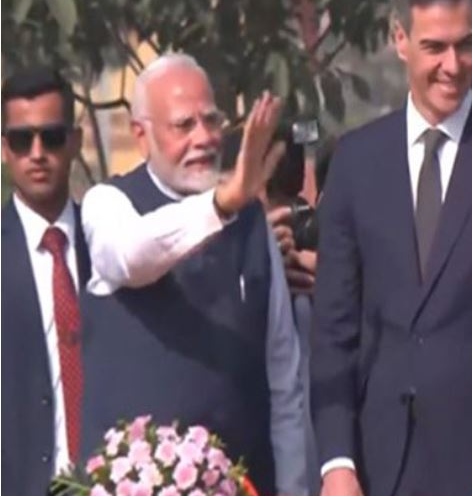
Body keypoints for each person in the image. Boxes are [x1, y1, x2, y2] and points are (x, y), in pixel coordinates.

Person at [310, 1, 472, 495]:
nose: (453, 66)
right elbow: (333, 330)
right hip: (375, 467)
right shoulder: (356, 161)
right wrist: (337, 461)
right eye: (435, 47)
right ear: (400, 40)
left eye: (465, 45)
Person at [79, 54, 307, 496]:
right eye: (184, 126)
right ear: (141, 136)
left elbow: (284, 383)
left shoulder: (253, 225)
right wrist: (221, 204)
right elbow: (130, 256)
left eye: (211, 120)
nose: (203, 138)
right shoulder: (107, 204)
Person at [1, 67, 90, 495]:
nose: (37, 152)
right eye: (21, 140)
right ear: (4, 148)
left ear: (75, 141)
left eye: (51, 137)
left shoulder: (108, 247)